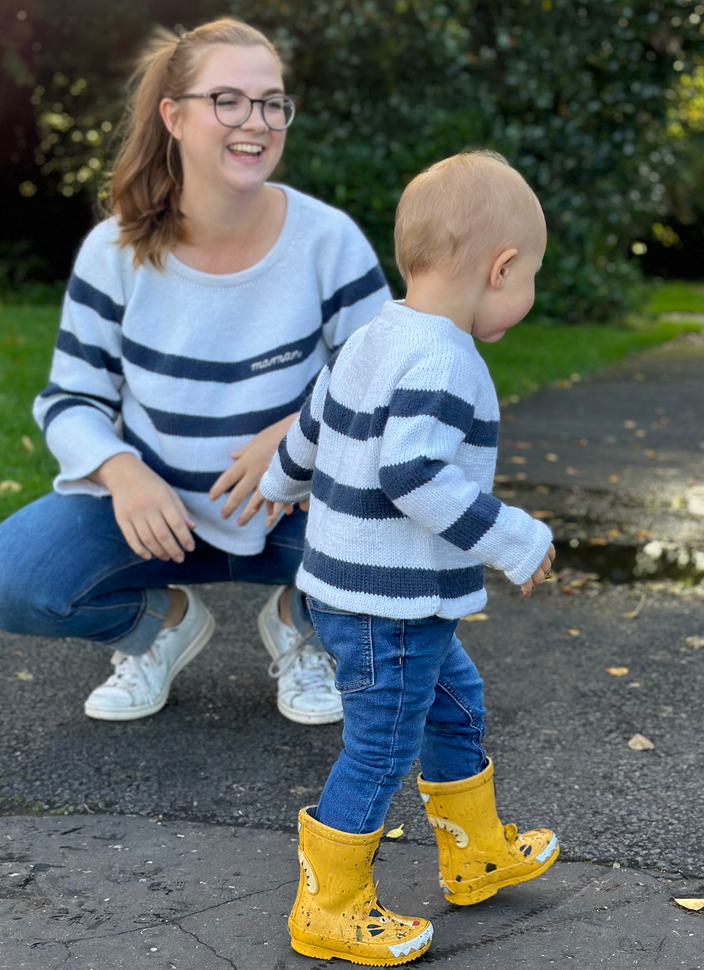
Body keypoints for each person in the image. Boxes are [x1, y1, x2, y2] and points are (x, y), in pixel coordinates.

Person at [0, 17, 390, 726]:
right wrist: (121, 473)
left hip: (291, 515)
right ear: (174, 114)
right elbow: (71, 397)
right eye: (227, 99)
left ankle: (301, 622)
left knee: (410, 527)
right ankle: (160, 624)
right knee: (7, 581)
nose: (254, 121)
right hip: (159, 519)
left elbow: (382, 382)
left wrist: (296, 436)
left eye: (270, 101)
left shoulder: (328, 241)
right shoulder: (116, 251)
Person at [259, 151, 560, 965]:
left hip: (369, 593)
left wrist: (279, 479)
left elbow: (312, 422)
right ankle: (329, 905)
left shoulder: (376, 332)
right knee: (383, 741)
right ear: (500, 269)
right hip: (385, 602)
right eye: (530, 274)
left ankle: (474, 850)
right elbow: (413, 474)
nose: (528, 290)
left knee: (455, 701)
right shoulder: (445, 359)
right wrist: (516, 540)